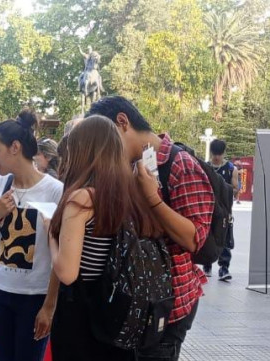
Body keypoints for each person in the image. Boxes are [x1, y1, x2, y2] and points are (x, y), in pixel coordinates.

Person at [88, 96, 213, 361]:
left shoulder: (181, 164)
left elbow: (195, 239)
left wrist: (152, 199)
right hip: (133, 301)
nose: (104, 150)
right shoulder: (129, 165)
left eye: (106, 140)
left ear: (122, 122)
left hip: (167, 305)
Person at [47, 115, 162, 360]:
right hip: (120, 310)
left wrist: (51, 238)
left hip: (82, 316)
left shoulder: (83, 199)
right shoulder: (132, 192)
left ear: (82, 152)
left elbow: (67, 273)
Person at [0, 109, 63, 361]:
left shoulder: (55, 191)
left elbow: (61, 257)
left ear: (15, 147)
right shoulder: (1, 185)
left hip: (34, 298)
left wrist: (50, 306)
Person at [208, 139, 238, 281]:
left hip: (225, 210)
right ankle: (206, 264)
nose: (217, 157)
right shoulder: (205, 167)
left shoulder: (232, 169)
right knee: (207, 237)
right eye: (215, 154)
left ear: (223, 153)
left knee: (225, 239)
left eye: (219, 154)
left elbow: (235, 189)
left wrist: (223, 187)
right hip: (208, 209)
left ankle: (224, 268)